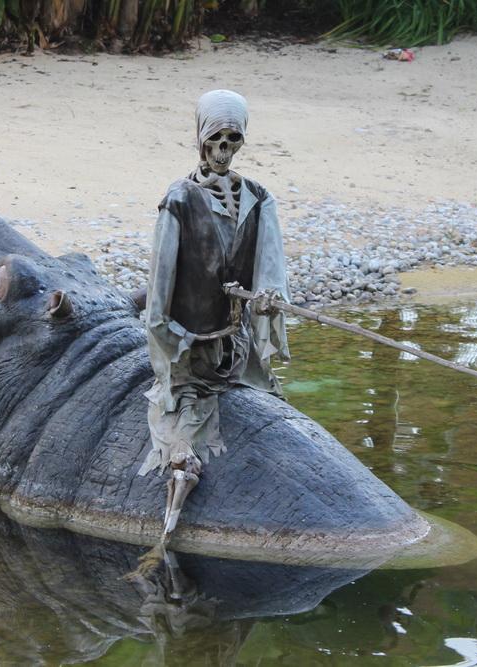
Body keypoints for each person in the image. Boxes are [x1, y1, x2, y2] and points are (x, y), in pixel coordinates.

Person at [140, 89, 291, 538]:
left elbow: (271, 265)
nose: (224, 151)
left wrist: (267, 299)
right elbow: (159, 286)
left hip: (235, 342)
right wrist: (169, 342)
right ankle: (171, 519)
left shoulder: (259, 198)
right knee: (181, 430)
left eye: (233, 139)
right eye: (216, 139)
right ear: (201, 140)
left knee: (273, 401)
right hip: (191, 347)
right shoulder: (180, 199)